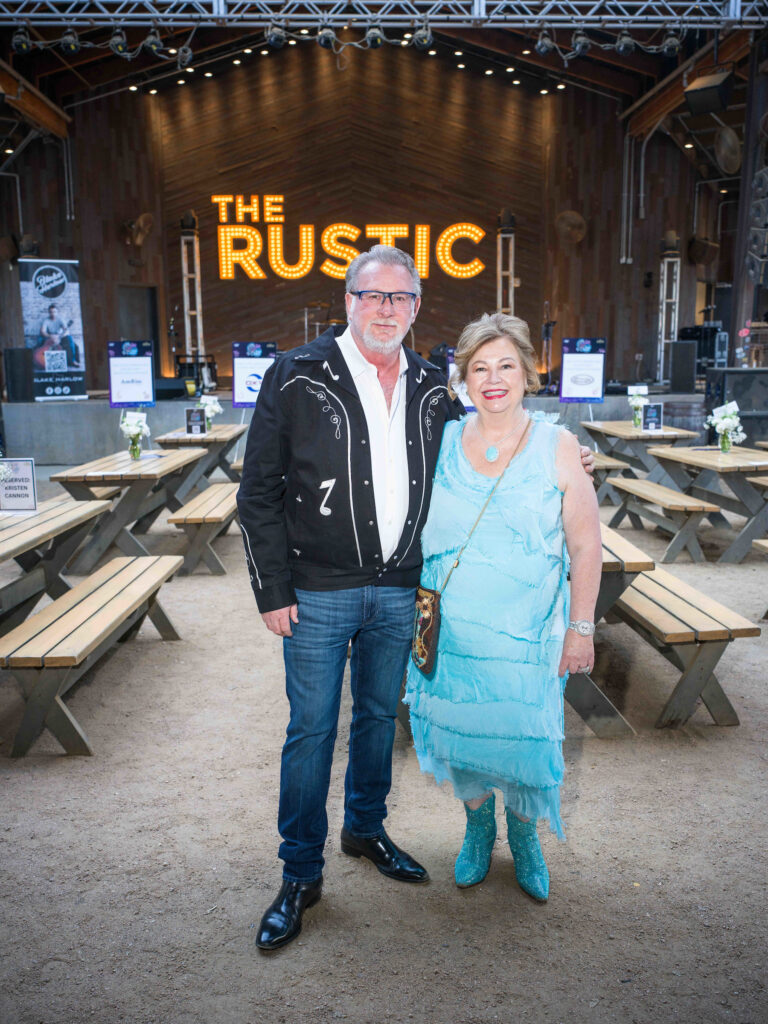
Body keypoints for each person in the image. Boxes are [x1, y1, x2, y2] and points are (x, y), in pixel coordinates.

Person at [237, 246, 596, 951]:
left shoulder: (436, 388)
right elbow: (257, 494)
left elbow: (505, 426)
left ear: (416, 308)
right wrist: (271, 588)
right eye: (372, 296)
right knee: (311, 732)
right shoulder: (296, 375)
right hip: (317, 591)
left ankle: (365, 829)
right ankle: (298, 874)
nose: (385, 309)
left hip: (402, 592)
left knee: (376, 720)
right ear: (348, 301)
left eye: (399, 298)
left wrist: (572, 452)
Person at [404, 312, 603, 902]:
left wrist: (581, 628)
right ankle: (477, 826)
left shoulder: (560, 445)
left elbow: (586, 543)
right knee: (462, 733)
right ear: (462, 378)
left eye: (506, 366)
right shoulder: (437, 442)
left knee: (524, 739)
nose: (493, 379)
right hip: (453, 632)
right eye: (480, 368)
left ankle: (523, 835)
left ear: (526, 373)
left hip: (530, 633)